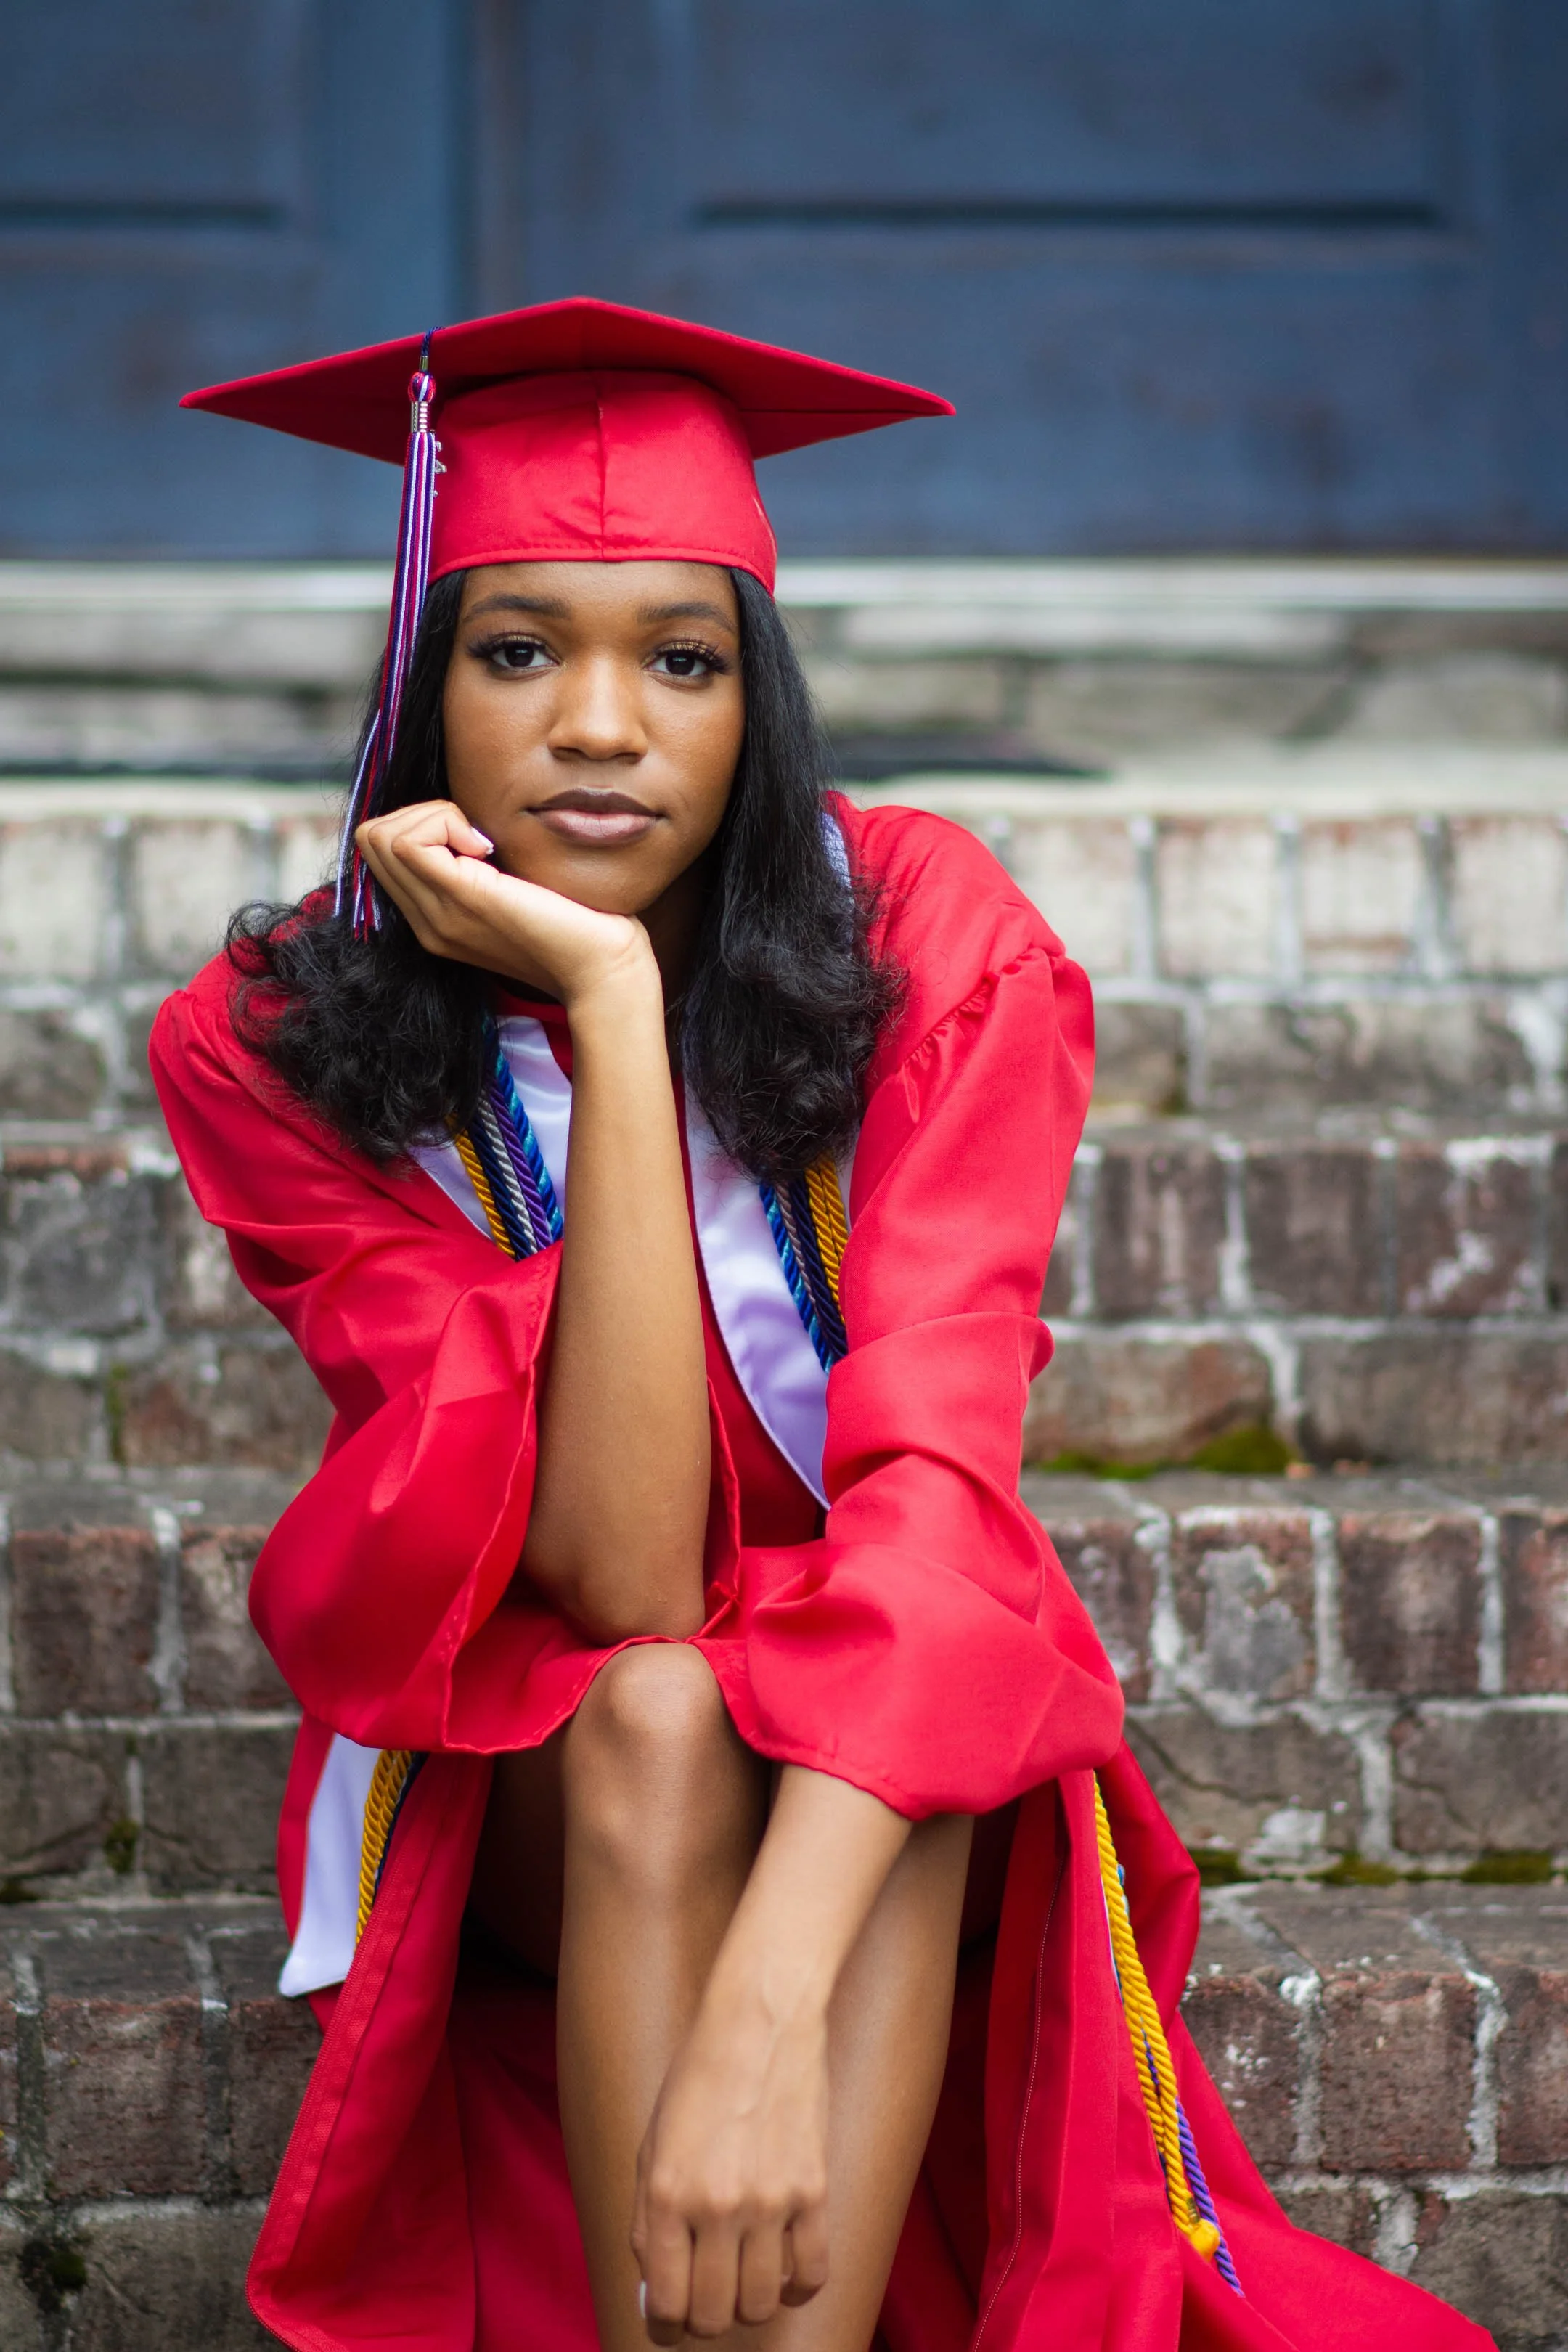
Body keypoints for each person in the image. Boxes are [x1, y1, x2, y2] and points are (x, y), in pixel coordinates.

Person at [152, 300, 1489, 2352]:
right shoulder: (271, 1047)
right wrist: (606, 1014)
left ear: (755, 701)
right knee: (669, 1702)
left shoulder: (928, 936)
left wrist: (765, 2013)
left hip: (882, 1745)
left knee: (880, 1701)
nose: (600, 725)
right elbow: (623, 1575)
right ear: (420, 696)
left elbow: (942, 1498)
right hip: (543, 1746)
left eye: (680, 662)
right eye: (519, 652)